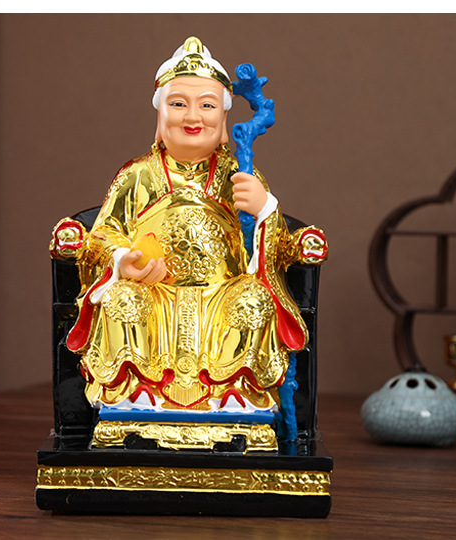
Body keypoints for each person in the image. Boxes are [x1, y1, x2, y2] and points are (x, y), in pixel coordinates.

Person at [51, 37, 327, 417]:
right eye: (179, 104)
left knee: (254, 300)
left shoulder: (239, 174)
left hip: (221, 295)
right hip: (154, 294)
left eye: (207, 105)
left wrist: (265, 208)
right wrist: (121, 260)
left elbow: (275, 247)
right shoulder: (138, 175)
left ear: (224, 121)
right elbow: (102, 234)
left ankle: (235, 393)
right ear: (159, 116)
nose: (193, 117)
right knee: (120, 300)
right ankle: (133, 393)